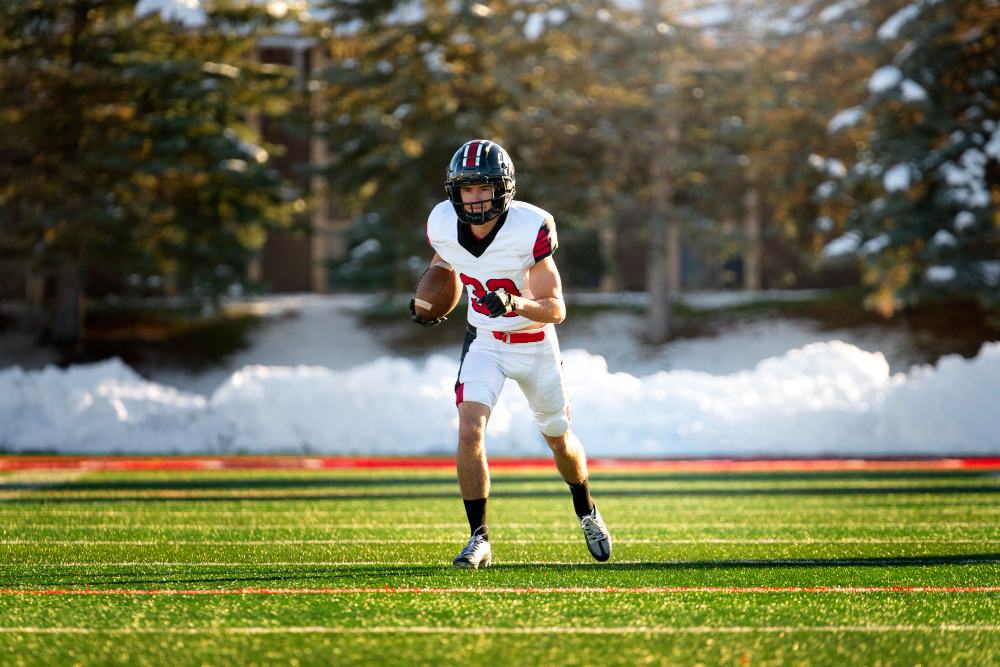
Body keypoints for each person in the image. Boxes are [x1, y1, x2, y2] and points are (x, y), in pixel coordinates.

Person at [409, 139, 612, 569]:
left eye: (484, 188)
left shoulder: (529, 227)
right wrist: (427, 298)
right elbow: (443, 264)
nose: (475, 198)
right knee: (469, 429)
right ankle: (478, 538)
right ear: (454, 192)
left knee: (559, 441)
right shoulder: (443, 223)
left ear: (504, 189)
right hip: (484, 341)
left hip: (535, 345)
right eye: (467, 189)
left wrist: (517, 304)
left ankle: (586, 511)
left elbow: (556, 308)